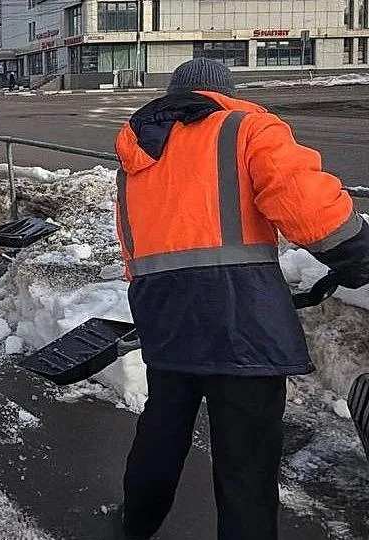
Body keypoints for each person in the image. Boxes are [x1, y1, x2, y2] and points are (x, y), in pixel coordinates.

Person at [114, 58, 369, 540]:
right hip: (241, 319)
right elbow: (310, 209)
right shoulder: (246, 128)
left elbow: (134, 245)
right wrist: (359, 257)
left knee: (161, 435)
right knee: (246, 468)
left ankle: (135, 526)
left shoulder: (137, 154)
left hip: (164, 315)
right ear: (222, 93)